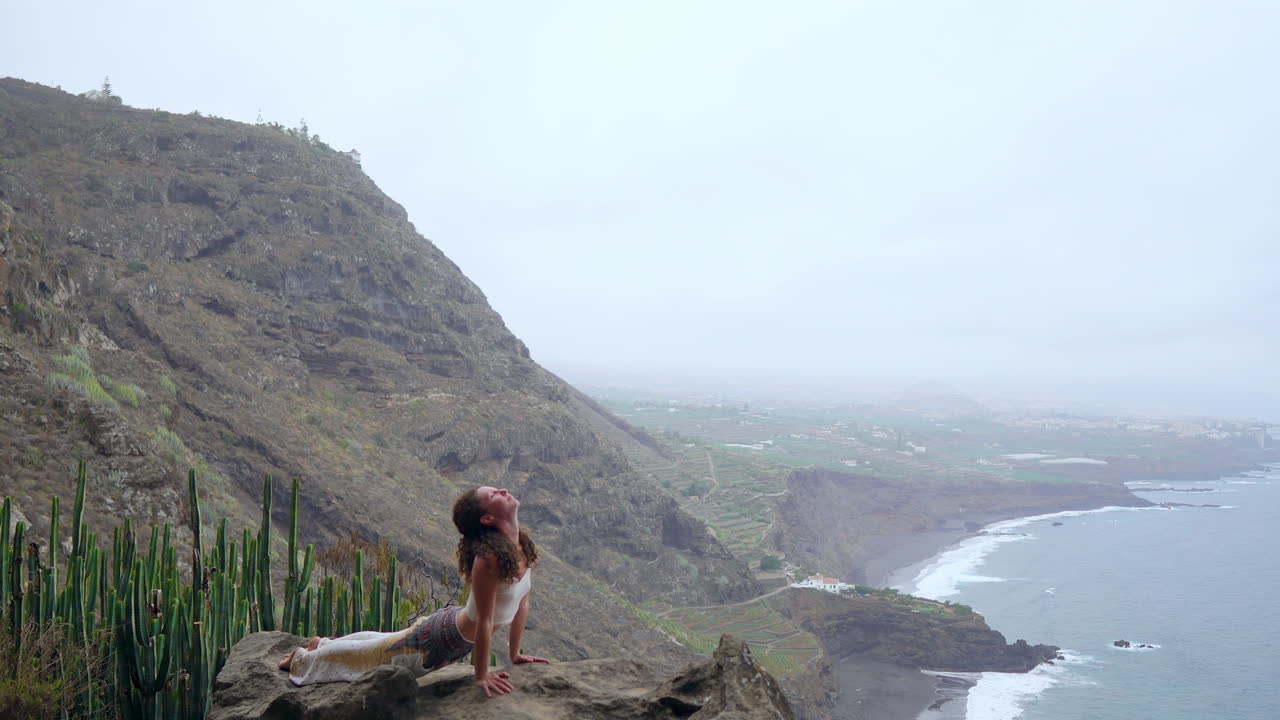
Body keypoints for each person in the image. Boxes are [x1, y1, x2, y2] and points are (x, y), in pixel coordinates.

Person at [278, 486, 549, 696]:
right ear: (488, 517)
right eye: (494, 493)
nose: (502, 490)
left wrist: (515, 654)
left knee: (382, 643)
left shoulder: (521, 545)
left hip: (452, 632)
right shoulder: (488, 559)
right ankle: (303, 659)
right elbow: (486, 621)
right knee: (372, 657)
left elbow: (522, 604)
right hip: (439, 641)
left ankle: (322, 646)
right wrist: (482, 676)